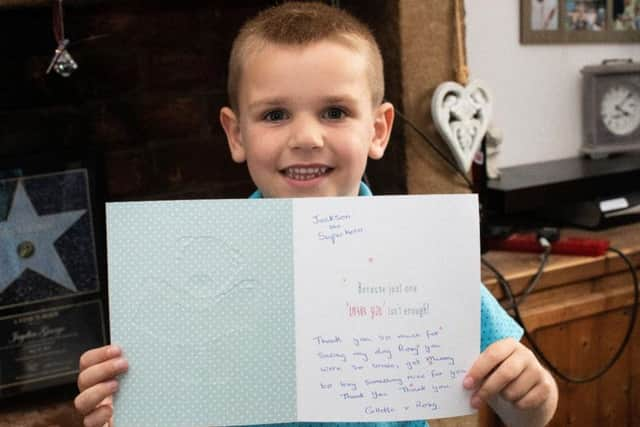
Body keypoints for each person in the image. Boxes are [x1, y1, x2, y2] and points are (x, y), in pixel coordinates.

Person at [74, 3, 558, 427]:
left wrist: (530, 398)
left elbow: (523, 408)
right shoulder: (194, 264)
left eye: (334, 112)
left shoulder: (417, 254)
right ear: (236, 133)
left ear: (378, 129)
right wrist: (119, 409)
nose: (305, 137)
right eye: (275, 115)